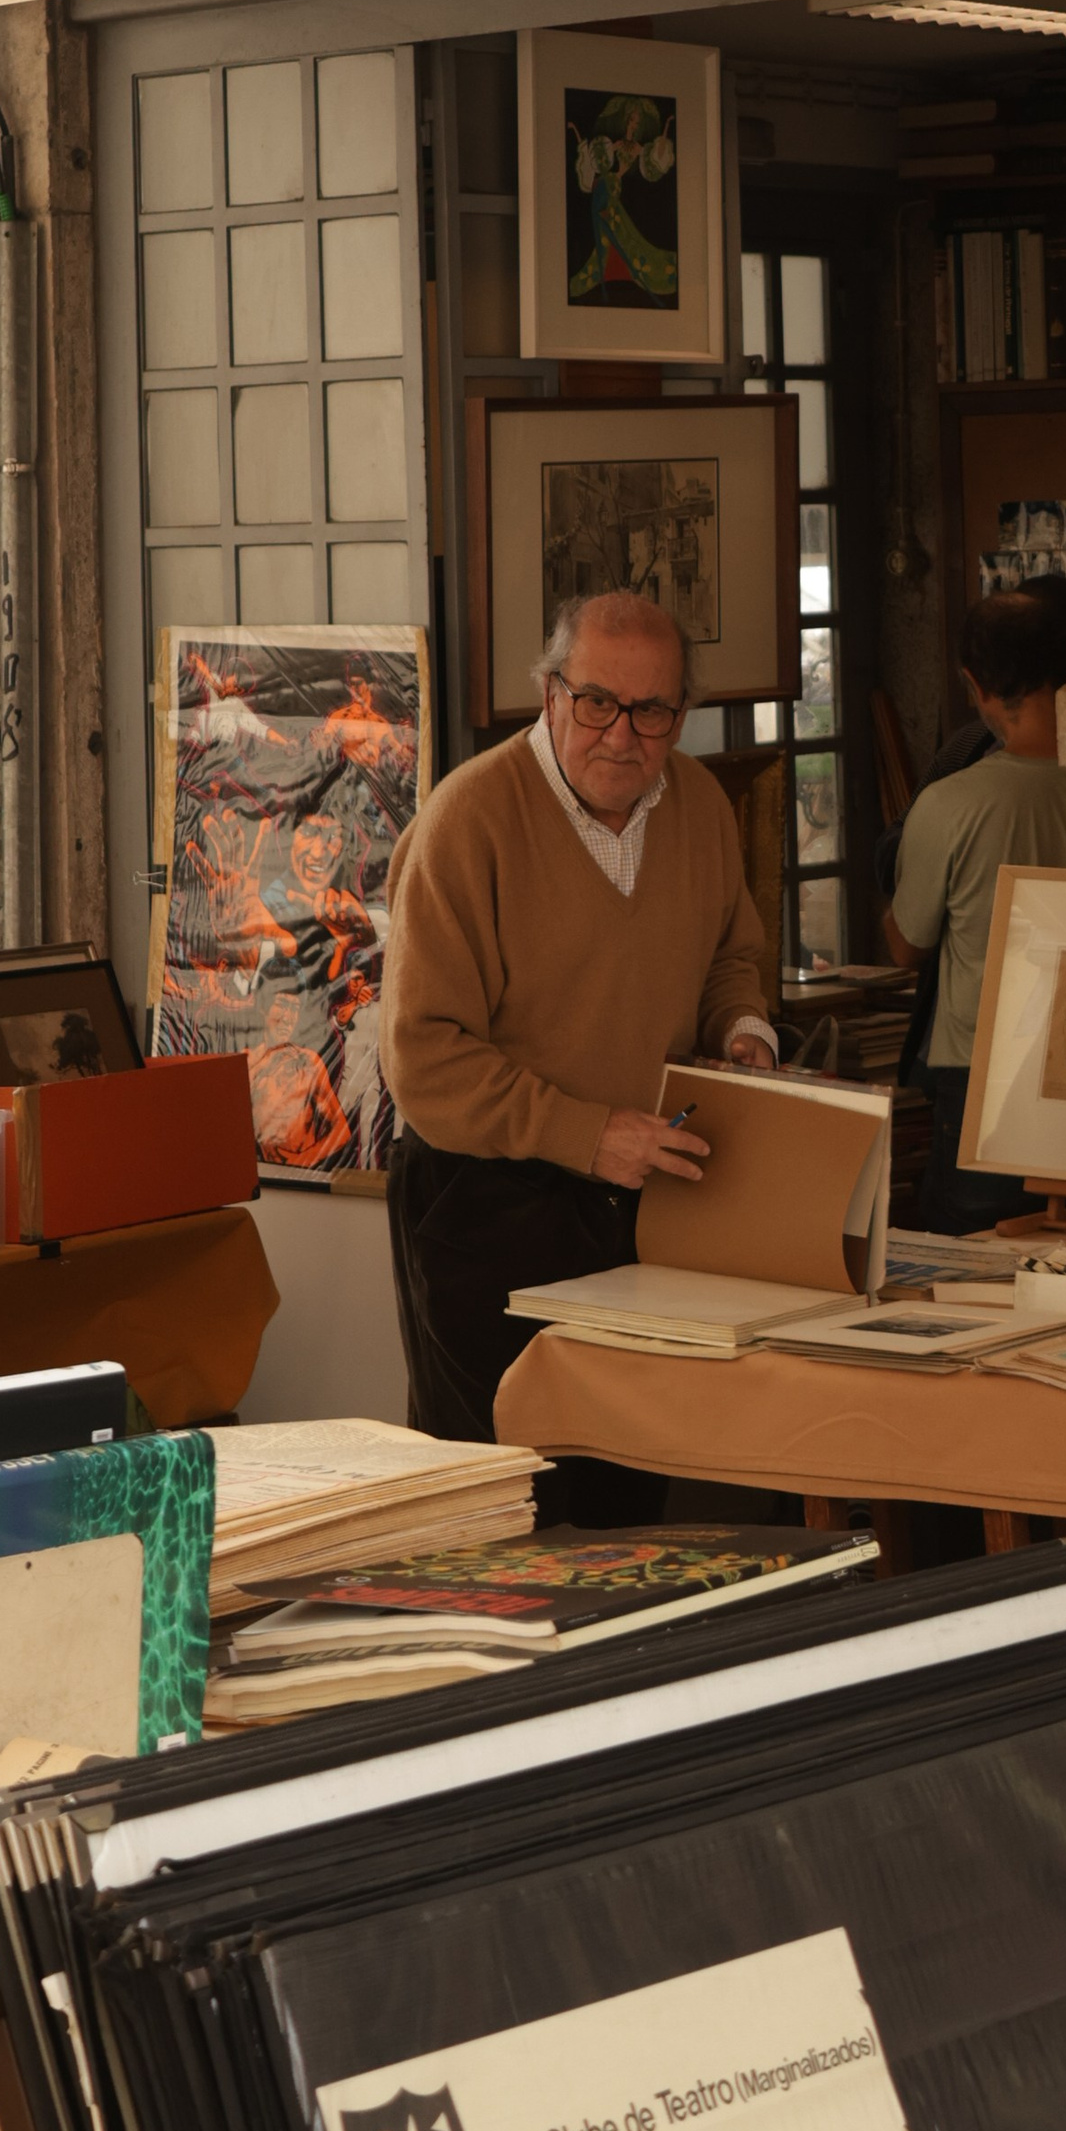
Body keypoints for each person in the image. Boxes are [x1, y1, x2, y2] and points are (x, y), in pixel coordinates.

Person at [379, 589, 776, 1476]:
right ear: (551, 693)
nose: (622, 734)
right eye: (598, 702)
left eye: (652, 710)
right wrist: (587, 1136)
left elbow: (730, 956)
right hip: (485, 1202)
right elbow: (424, 1057)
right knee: (503, 1490)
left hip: (646, 1198)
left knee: (631, 1487)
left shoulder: (702, 807)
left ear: (682, 713)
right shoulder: (468, 820)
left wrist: (743, 1032)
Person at [886, 591, 1066, 1231]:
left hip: (983, 1082)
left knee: (972, 1273)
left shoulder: (952, 802)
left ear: (976, 685)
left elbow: (906, 946)